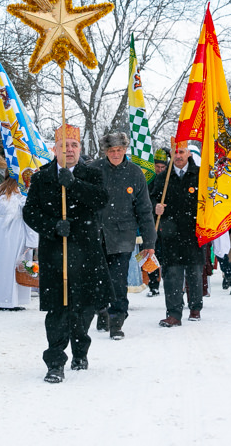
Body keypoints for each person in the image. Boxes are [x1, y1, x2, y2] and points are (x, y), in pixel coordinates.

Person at [22, 124, 112, 383]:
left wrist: (74, 184)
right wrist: (52, 227)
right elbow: (30, 212)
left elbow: (101, 200)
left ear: (80, 149)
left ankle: (80, 351)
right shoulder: (41, 177)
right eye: (64, 146)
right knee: (58, 310)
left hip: (86, 252)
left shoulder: (92, 174)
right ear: (55, 149)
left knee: (84, 308)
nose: (69, 150)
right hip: (55, 253)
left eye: (73, 145)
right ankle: (55, 362)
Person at [91, 132, 156, 339]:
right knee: (99, 279)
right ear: (105, 152)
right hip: (97, 235)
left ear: (125, 150)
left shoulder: (135, 173)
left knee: (118, 280)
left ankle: (117, 320)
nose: (116, 154)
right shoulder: (94, 170)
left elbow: (144, 209)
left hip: (123, 236)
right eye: (111, 150)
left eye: (119, 150)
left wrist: (149, 241)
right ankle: (101, 310)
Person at [149, 141, 204, 327]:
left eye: (181, 152)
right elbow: (152, 198)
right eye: (175, 152)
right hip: (170, 233)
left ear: (188, 153)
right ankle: (173, 313)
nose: (178, 155)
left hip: (194, 232)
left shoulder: (200, 176)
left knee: (194, 271)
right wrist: (155, 207)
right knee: (172, 273)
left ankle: (195, 306)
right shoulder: (163, 177)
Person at [0, 176, 38, 310]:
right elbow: (28, 215)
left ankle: (5, 299)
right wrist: (32, 239)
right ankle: (10, 300)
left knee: (4, 266)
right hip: (16, 231)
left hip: (1, 231)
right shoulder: (20, 194)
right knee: (15, 265)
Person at [146, 147, 171, 297]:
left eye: (163, 167)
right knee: (150, 251)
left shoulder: (169, 179)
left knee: (166, 253)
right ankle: (153, 284)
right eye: (157, 167)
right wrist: (153, 205)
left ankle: (168, 281)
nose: (160, 170)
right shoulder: (148, 179)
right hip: (150, 220)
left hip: (167, 222)